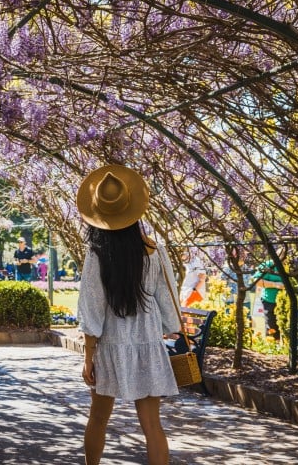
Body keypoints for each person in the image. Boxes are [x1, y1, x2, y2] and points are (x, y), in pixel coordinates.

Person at [75, 165, 181, 465]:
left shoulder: (97, 254)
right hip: (148, 347)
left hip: (109, 347)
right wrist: (169, 327)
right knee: (152, 426)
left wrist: (88, 356)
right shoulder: (154, 251)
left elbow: (92, 308)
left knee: (98, 419)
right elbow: (167, 300)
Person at [252, 246, 286, 341]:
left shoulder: (292, 266)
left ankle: (285, 347)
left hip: (286, 302)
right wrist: (275, 284)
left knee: (286, 326)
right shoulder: (268, 265)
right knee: (271, 326)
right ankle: (273, 346)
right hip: (269, 300)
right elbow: (257, 281)